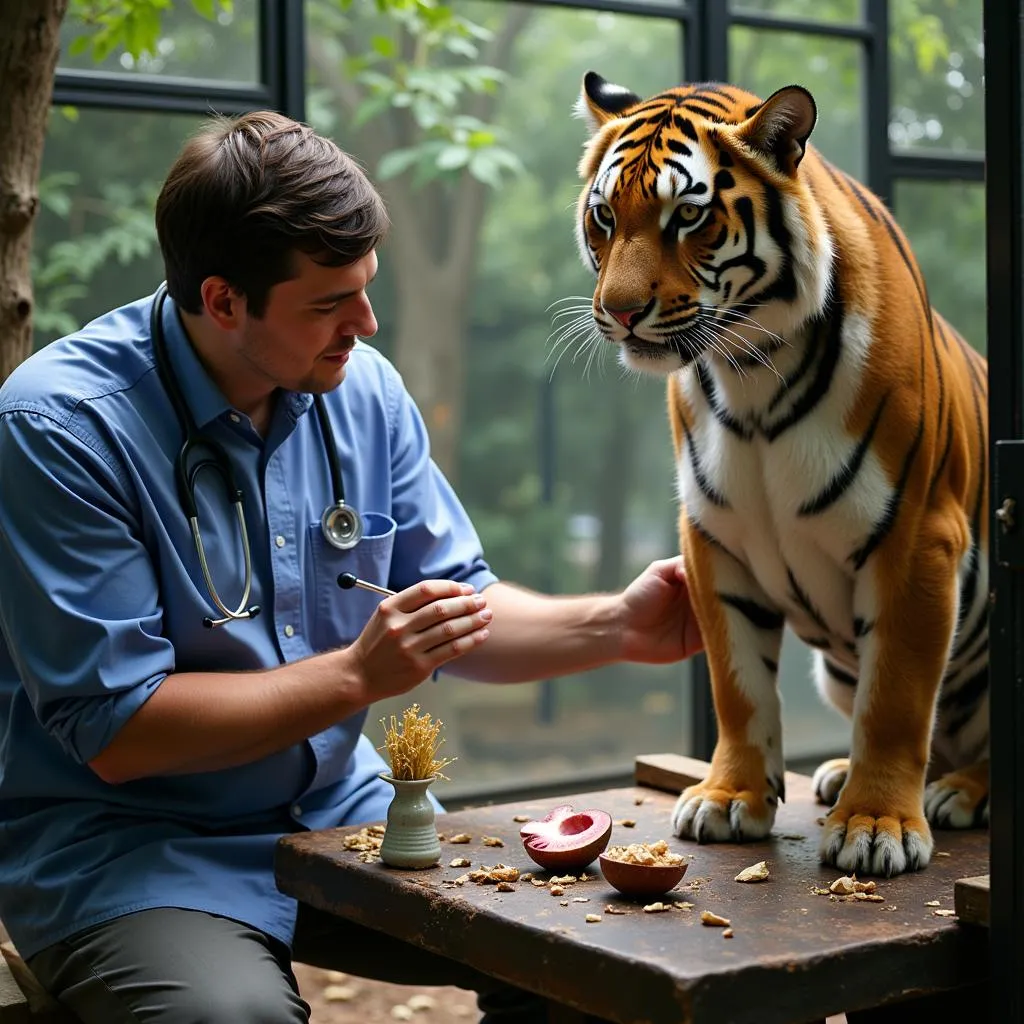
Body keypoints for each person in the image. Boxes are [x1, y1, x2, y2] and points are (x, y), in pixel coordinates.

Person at [0, 110, 702, 1024]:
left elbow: (457, 611)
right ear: (222, 301)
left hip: (347, 815)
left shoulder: (359, 390)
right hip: (134, 848)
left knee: (597, 968)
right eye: (330, 304)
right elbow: (120, 729)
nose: (365, 326)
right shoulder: (59, 428)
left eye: (366, 291)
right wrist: (358, 675)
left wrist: (618, 625)